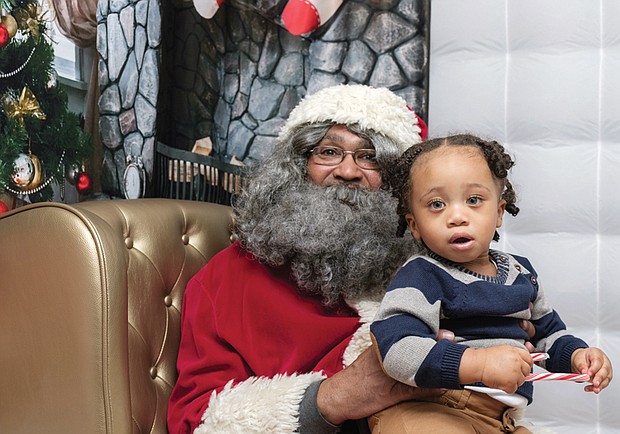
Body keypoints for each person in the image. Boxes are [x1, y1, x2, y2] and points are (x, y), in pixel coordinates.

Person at [167, 85, 535, 434]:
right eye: (327, 152)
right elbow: (198, 420)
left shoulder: (441, 269)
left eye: (370, 157)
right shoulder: (228, 279)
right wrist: (334, 398)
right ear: (295, 167)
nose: (347, 171)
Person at [369, 134, 613, 433]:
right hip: (435, 408)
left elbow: (548, 336)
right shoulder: (422, 275)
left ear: (498, 212)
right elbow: (396, 349)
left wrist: (577, 356)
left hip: (502, 418)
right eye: (436, 204)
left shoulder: (521, 272)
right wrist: (478, 364)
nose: (457, 216)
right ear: (414, 225)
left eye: (474, 200)